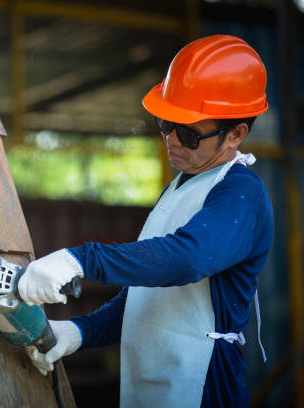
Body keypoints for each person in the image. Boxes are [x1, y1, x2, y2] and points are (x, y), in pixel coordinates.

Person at [19, 34, 274, 408]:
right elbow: (147, 299)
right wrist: (79, 331)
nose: (170, 140)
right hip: (154, 381)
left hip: (204, 385)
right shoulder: (182, 186)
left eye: (187, 133)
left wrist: (82, 259)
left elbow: (187, 259)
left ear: (236, 134)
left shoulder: (241, 195)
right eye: (165, 123)